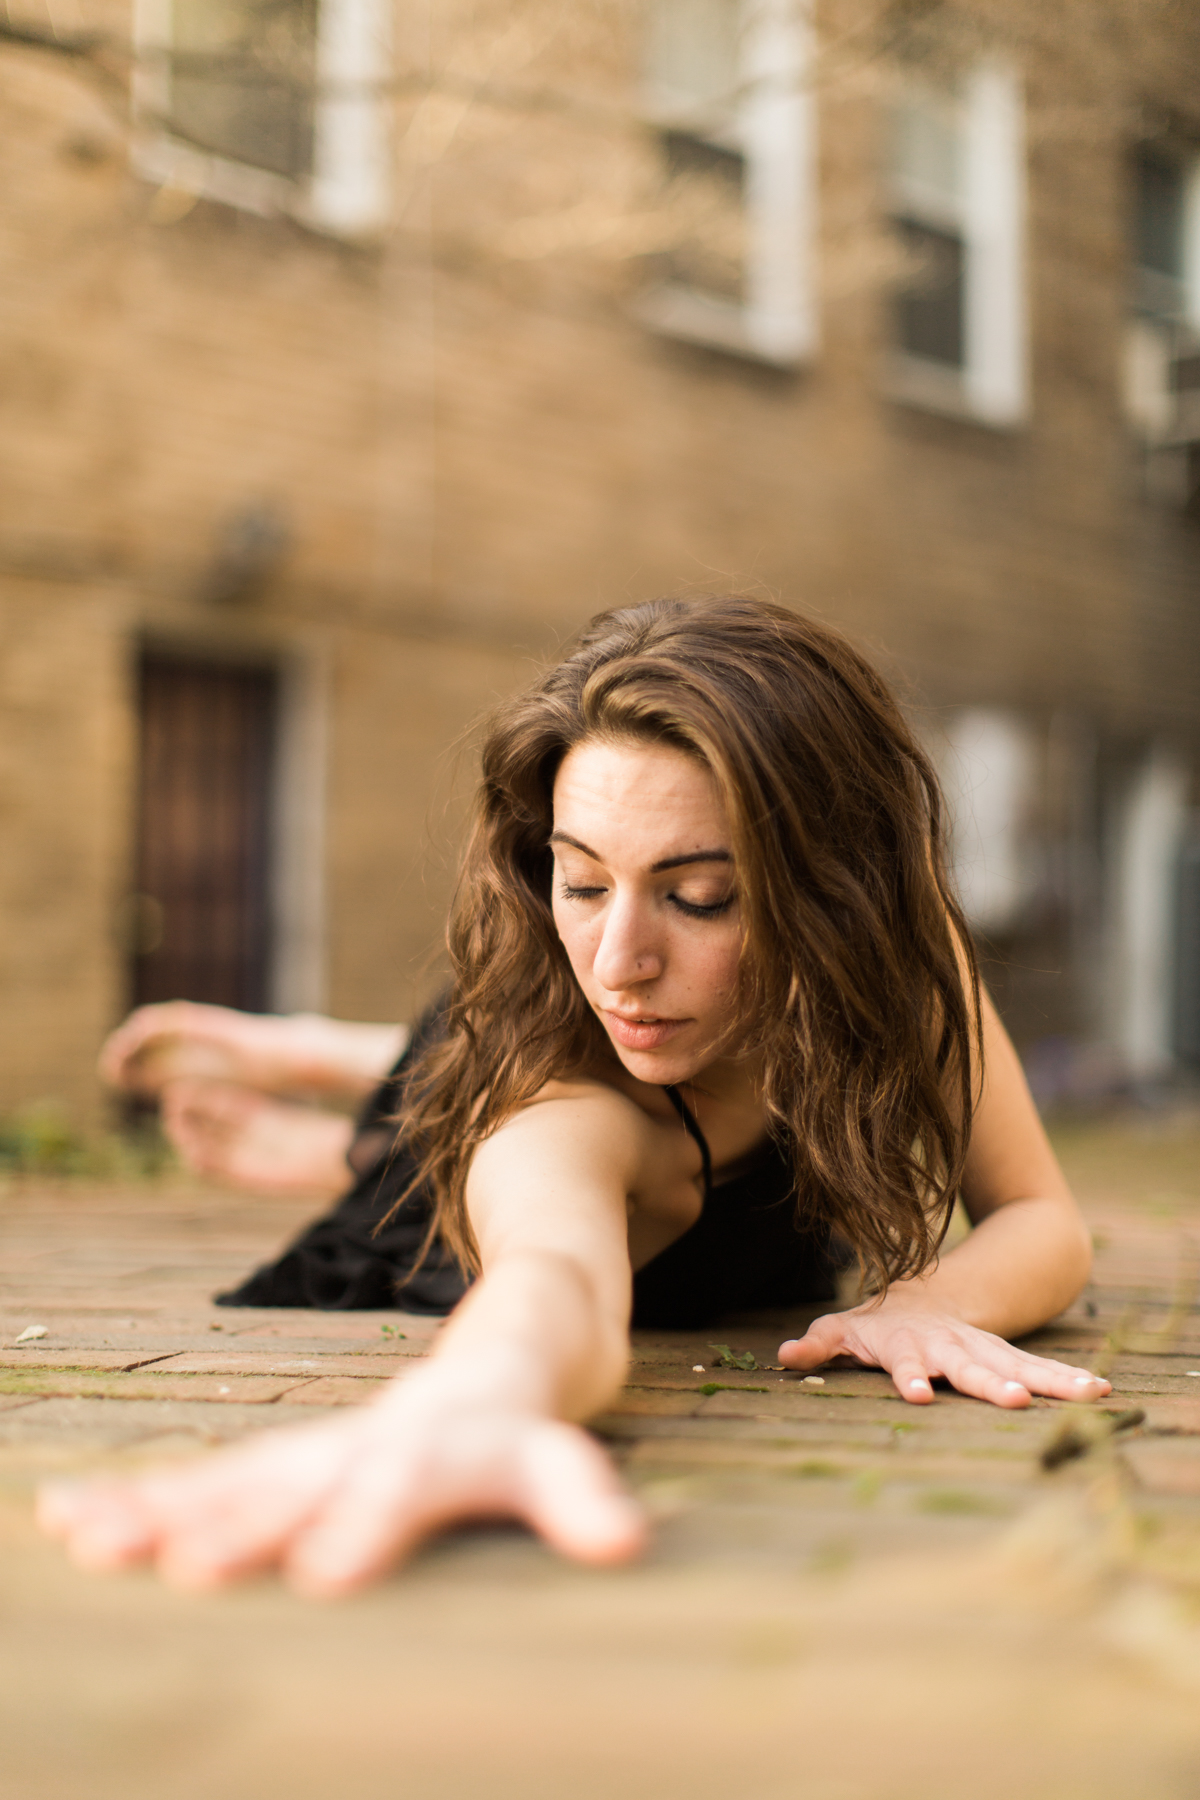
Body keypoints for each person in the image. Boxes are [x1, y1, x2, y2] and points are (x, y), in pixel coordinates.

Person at [39, 595, 1110, 1596]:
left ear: (835, 898)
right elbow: (554, 1279)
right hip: (496, 1110)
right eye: (583, 881)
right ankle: (329, 1099)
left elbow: (1043, 1220)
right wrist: (470, 1403)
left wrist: (922, 1303)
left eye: (701, 897)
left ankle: (332, 1099)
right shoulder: (563, 1094)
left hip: (641, 1089)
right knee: (439, 1119)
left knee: (446, 1089)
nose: (618, 960)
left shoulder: (900, 968)